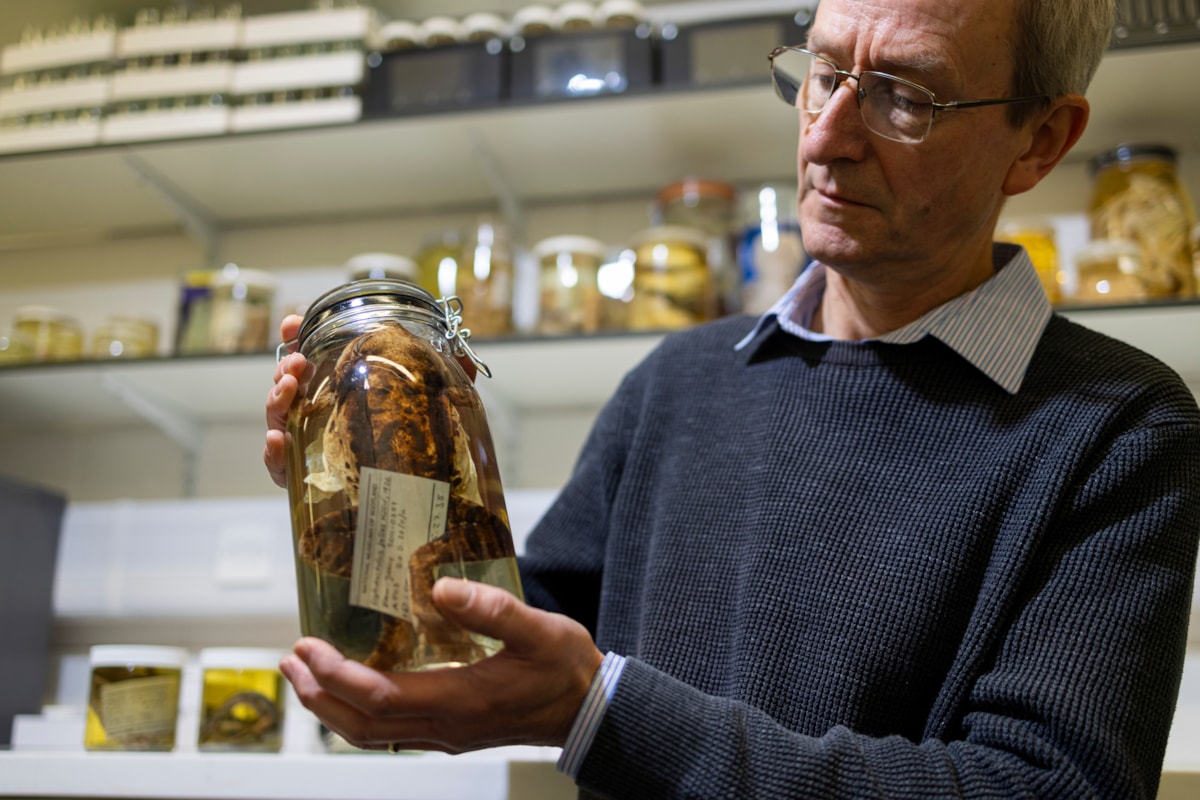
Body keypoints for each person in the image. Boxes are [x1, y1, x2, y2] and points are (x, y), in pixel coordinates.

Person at [263, 0, 1200, 796]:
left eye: (906, 98)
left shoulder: (1121, 423)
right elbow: (478, 638)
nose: (829, 136)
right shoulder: (676, 383)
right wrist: (374, 471)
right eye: (824, 73)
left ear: (1039, 142)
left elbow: (1044, 785)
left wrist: (605, 712)